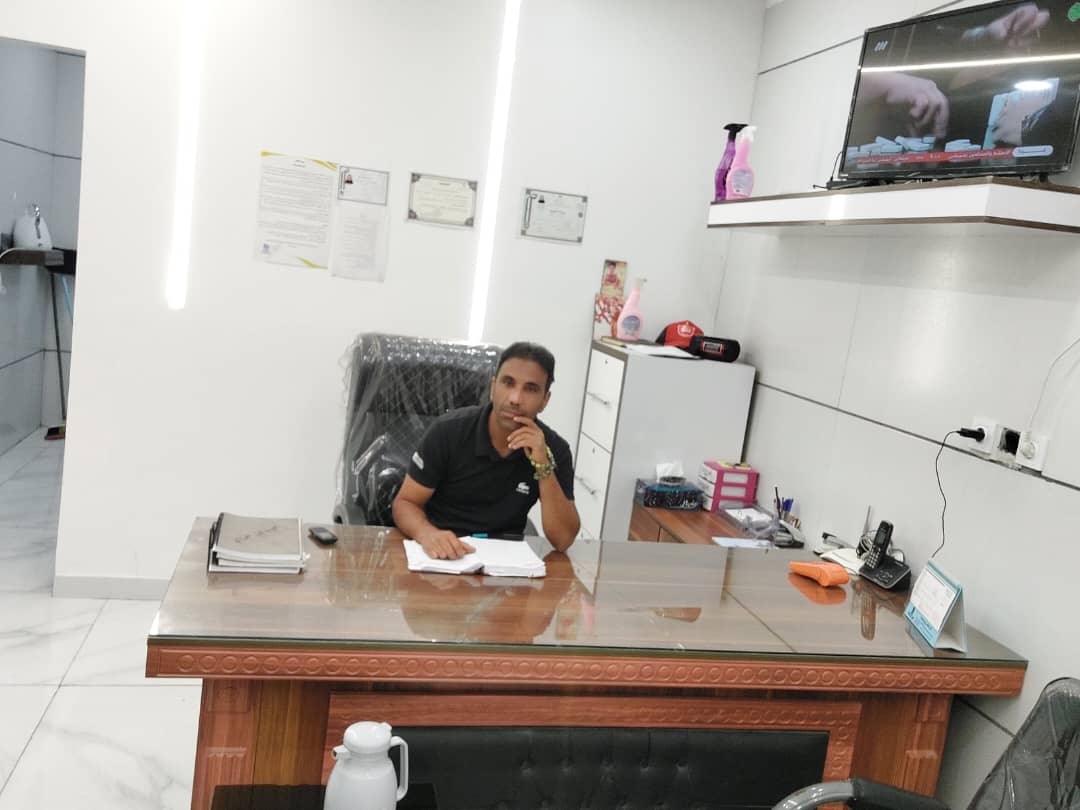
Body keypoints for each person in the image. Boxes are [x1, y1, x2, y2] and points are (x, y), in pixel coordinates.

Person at [392, 341, 580, 559]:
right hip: (443, 554)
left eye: (530, 389)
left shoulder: (553, 449)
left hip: (506, 562)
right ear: (493, 387)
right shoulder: (448, 431)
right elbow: (405, 503)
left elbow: (563, 540)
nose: (515, 399)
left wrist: (543, 466)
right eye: (508, 383)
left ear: (545, 400)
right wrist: (428, 534)